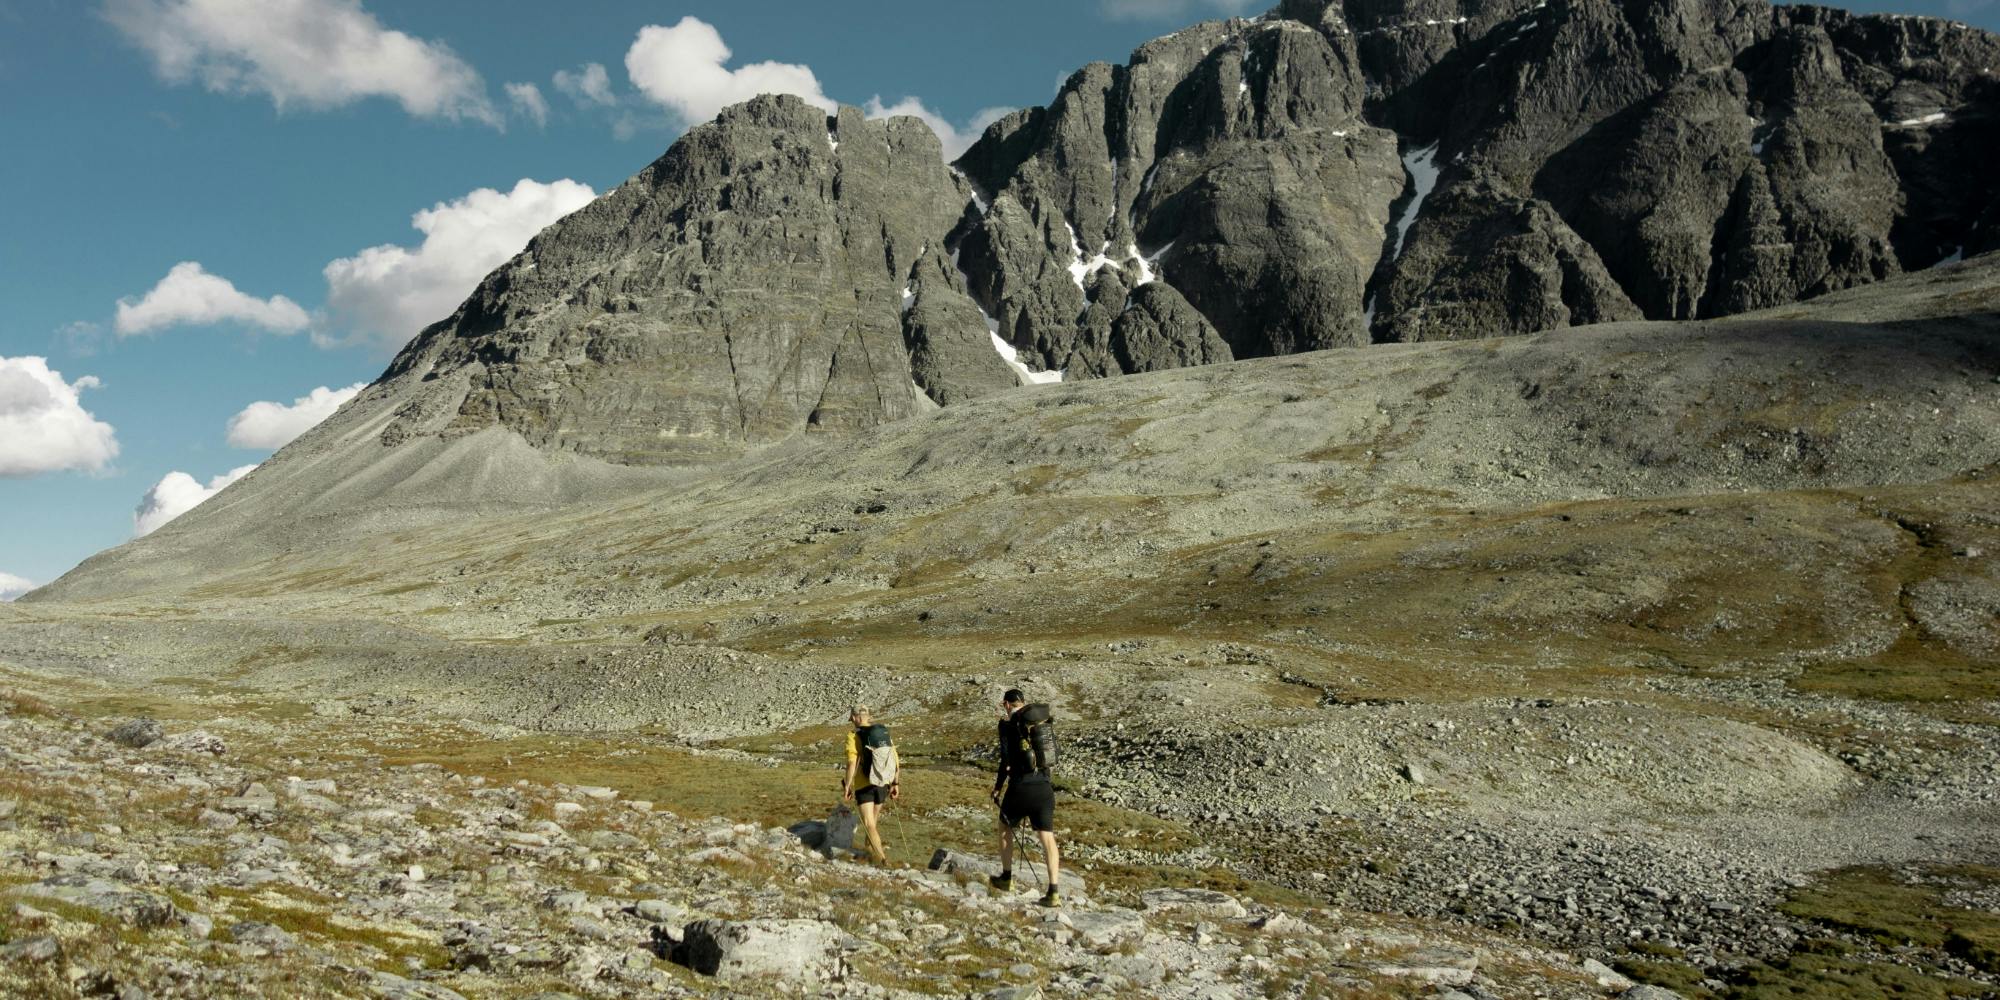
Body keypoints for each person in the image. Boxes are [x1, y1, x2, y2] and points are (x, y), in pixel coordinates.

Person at [989, 688, 1062, 906]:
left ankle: (1007, 878)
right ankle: (1054, 892)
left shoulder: (1008, 726)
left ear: (1006, 704)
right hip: (1045, 788)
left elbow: (1005, 760)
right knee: (1047, 837)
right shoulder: (1040, 723)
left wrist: (998, 787)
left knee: (1005, 827)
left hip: (1021, 786)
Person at [840, 705, 899, 865]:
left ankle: (881, 859)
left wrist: (847, 785)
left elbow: (852, 762)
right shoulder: (882, 732)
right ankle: (869, 849)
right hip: (882, 782)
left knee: (869, 824)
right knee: (873, 820)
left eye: (852, 717)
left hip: (864, 784)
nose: (851, 720)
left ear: (855, 717)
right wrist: (895, 783)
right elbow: (894, 758)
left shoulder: (853, 735)